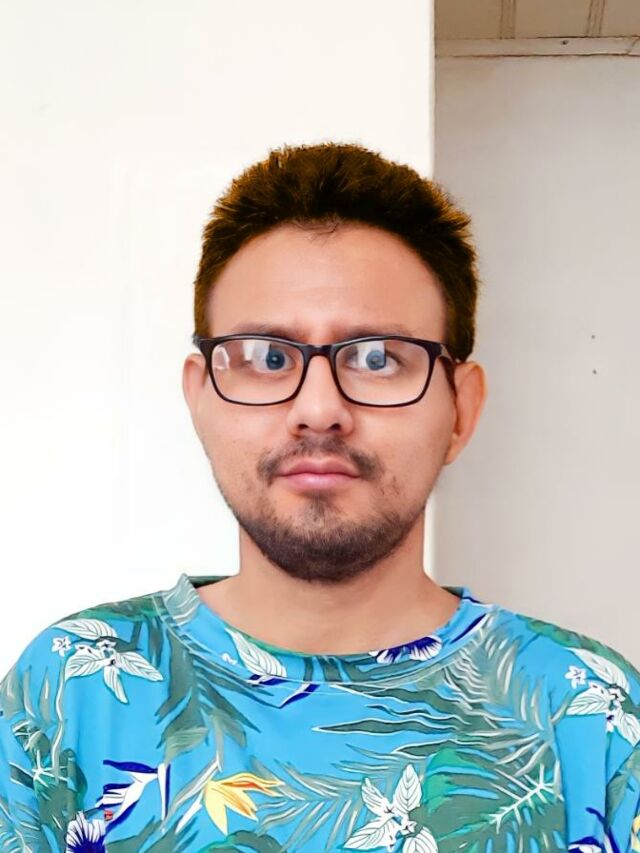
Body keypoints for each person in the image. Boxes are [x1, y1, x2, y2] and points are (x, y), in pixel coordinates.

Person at [0, 142, 638, 853]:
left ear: (461, 409)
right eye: (267, 358)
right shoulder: (69, 690)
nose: (319, 409)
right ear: (200, 397)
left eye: (377, 358)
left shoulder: (593, 713)